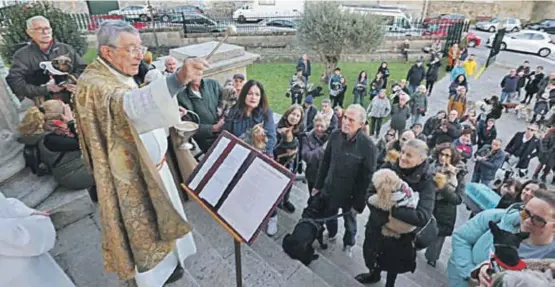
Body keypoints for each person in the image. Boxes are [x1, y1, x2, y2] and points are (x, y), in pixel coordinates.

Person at [73, 20, 199, 285]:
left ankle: (174, 261)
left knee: (168, 221)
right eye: (131, 49)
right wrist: (177, 81)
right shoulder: (96, 84)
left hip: (158, 168)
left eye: (140, 47)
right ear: (107, 52)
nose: (139, 55)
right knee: (147, 229)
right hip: (133, 177)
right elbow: (128, 107)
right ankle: (155, 277)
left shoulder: (114, 72)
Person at [356, 139, 435, 286]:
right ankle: (374, 274)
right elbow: (369, 192)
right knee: (373, 255)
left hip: (400, 237)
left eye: (409, 155)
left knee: (393, 264)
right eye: (403, 152)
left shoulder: (426, 182)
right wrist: (383, 217)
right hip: (377, 225)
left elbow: (423, 216)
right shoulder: (389, 166)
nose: (403, 157)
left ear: (421, 160)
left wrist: (391, 209)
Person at [449, 189, 555, 287]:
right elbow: (461, 237)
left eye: (537, 220)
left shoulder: (551, 263)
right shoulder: (498, 218)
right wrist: (471, 274)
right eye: (525, 213)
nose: (526, 221)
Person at [312, 104, 377, 257]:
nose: (345, 122)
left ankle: (349, 243)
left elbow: (366, 180)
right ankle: (332, 233)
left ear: (361, 125)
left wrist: (359, 205)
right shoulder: (335, 135)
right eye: (345, 117)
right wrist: (318, 186)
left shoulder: (368, 147)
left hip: (351, 197)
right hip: (331, 189)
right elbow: (325, 163)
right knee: (329, 217)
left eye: (351, 120)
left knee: (350, 224)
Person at [17, 100, 95, 193]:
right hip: (74, 176)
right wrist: (70, 122)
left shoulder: (45, 135)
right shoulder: (50, 140)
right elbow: (86, 143)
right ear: (58, 120)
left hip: (77, 167)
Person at [0, 192, 75, 287]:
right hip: (15, 272)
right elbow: (15, 237)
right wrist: (39, 225)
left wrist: (29, 212)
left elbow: (5, 205)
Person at [6, 15, 85, 105]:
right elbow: (15, 83)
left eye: (47, 28)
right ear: (29, 32)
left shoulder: (66, 49)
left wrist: (69, 81)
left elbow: (83, 70)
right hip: (42, 104)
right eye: (39, 29)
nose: (45, 32)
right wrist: (45, 89)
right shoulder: (22, 56)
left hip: (72, 100)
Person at [425, 143, 465, 268]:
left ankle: (432, 257)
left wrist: (443, 187)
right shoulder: (431, 167)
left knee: (438, 236)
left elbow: (458, 198)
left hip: (445, 210)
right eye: (442, 154)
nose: (443, 158)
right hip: (428, 203)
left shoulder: (458, 174)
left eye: (447, 155)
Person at [224, 80, 276, 157]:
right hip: (237, 155)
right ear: (244, 95)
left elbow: (271, 139)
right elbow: (226, 137)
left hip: (260, 156)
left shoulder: (266, 113)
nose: (253, 97)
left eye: (257, 94)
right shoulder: (233, 112)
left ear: (261, 97)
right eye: (250, 93)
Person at [176, 71, 223, 154]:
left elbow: (226, 102)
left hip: (226, 131)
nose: (195, 75)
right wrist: (213, 128)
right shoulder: (182, 97)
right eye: (192, 71)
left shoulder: (213, 84)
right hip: (207, 139)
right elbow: (189, 126)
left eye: (198, 70)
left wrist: (224, 117)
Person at [274, 105, 304, 214]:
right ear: (287, 114)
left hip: (293, 164)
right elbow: (275, 148)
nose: (294, 117)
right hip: (280, 163)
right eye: (293, 114)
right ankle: (275, 203)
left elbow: (300, 147)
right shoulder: (279, 128)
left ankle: (285, 200)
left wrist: (299, 163)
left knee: (289, 183)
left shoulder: (299, 130)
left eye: (297, 116)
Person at [301, 114, 329, 196]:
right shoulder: (307, 137)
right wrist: (322, 149)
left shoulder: (331, 138)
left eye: (322, 126)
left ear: (326, 127)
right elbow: (306, 156)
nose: (319, 129)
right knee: (313, 199)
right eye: (317, 126)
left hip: (327, 177)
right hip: (313, 176)